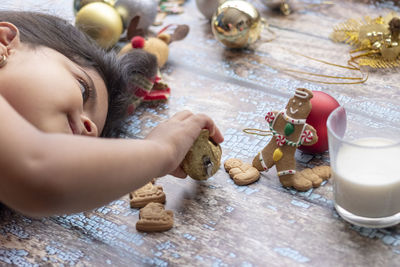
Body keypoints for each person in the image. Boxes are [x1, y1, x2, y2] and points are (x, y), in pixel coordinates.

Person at [0, 11, 223, 217]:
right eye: (83, 89)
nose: (91, 129)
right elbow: (39, 175)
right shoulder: (30, 174)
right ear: (5, 41)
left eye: (87, 146)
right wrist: (163, 150)